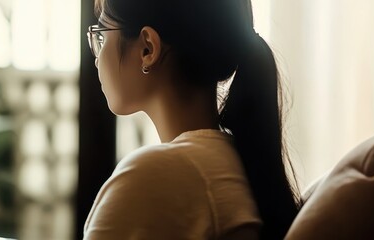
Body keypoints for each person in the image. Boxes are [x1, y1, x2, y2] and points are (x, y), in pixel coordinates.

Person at [82, 0, 300, 239]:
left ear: (148, 48)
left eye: (102, 35)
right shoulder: (240, 164)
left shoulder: (149, 180)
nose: (97, 58)